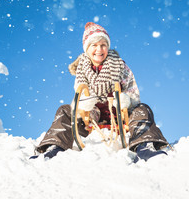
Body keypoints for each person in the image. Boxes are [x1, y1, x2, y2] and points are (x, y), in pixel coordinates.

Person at [31, 22, 168, 161]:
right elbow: (79, 94)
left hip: (119, 113)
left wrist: (124, 99)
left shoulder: (120, 66)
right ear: (87, 48)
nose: (99, 49)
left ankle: (145, 146)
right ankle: (54, 147)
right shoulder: (82, 69)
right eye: (94, 45)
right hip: (92, 116)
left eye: (103, 45)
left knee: (143, 109)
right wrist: (83, 106)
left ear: (107, 47)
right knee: (65, 110)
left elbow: (133, 91)